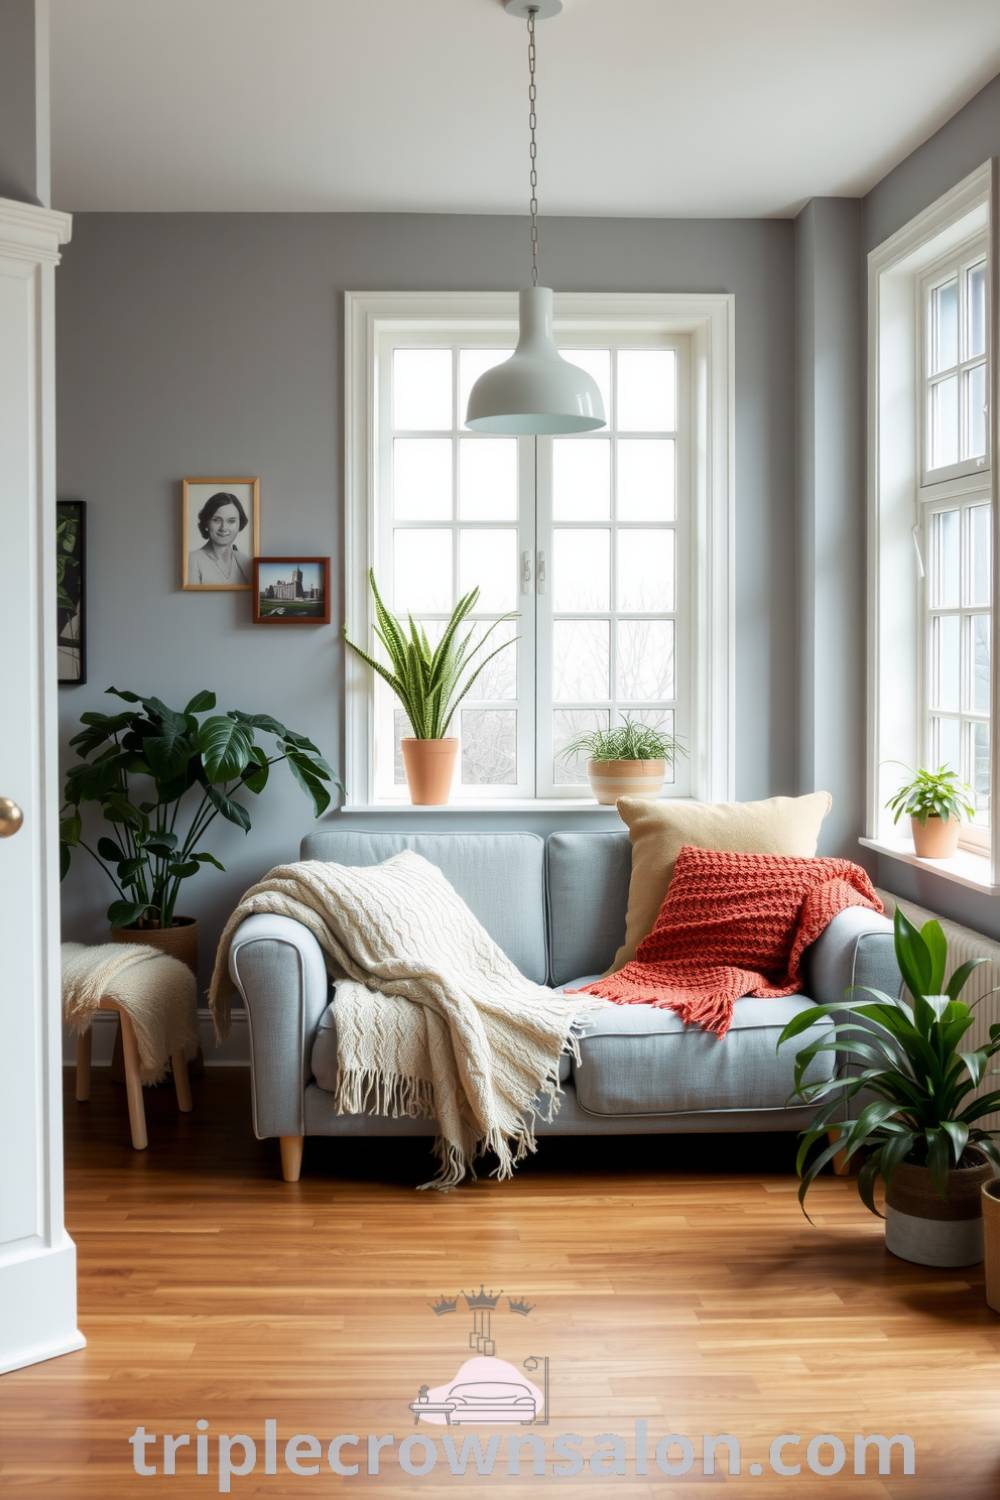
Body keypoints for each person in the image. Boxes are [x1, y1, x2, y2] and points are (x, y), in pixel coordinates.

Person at [187, 492, 251, 585]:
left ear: (240, 524)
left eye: (231, 521)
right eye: (216, 520)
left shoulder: (245, 561)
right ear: (206, 523)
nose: (223, 528)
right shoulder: (192, 560)